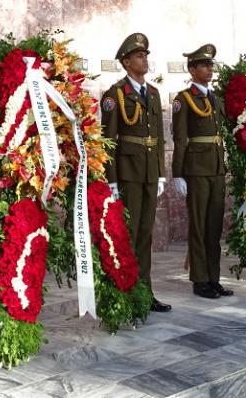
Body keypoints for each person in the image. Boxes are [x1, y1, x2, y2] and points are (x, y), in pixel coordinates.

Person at [100, 33, 170, 312]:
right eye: (139, 56)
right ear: (126, 62)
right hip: (128, 173)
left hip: (150, 173)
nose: (145, 60)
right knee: (128, 234)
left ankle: (145, 292)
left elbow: (160, 137)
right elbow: (109, 141)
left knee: (145, 233)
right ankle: (126, 293)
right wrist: (112, 180)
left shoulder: (152, 93)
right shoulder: (114, 95)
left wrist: (162, 172)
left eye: (146, 55)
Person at [171, 44, 232, 299]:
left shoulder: (214, 97)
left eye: (211, 65)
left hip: (216, 168)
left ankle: (214, 278)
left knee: (213, 227)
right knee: (198, 225)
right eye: (204, 65)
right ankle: (199, 279)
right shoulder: (183, 100)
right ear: (192, 69)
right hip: (196, 170)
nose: (210, 69)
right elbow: (180, 139)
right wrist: (178, 173)